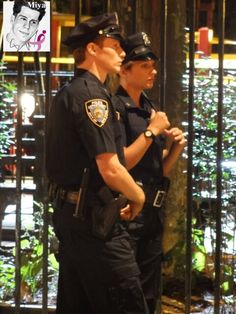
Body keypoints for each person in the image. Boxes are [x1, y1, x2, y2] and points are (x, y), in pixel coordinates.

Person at [46, 13, 149, 314]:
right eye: (114, 46)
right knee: (126, 301)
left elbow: (115, 160)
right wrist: (138, 197)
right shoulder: (93, 98)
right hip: (94, 222)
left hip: (75, 217)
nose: (121, 53)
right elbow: (111, 168)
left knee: (78, 304)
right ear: (92, 49)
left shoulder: (71, 92)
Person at [113, 32, 187, 314]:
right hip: (128, 215)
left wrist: (174, 148)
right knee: (127, 294)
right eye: (144, 66)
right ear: (125, 70)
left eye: (153, 66)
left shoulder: (150, 108)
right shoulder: (116, 108)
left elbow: (156, 167)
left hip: (153, 215)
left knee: (150, 293)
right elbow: (121, 165)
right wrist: (151, 130)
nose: (152, 71)